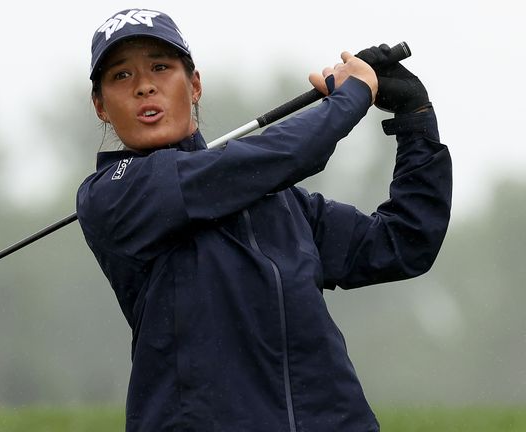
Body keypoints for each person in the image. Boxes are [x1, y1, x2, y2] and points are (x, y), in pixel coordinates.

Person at [77, 8, 451, 432]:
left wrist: (415, 123)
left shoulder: (280, 202)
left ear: (194, 85)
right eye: (121, 76)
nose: (144, 86)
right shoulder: (113, 196)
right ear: (100, 106)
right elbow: (282, 155)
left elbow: (405, 242)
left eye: (160, 67)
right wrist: (351, 98)